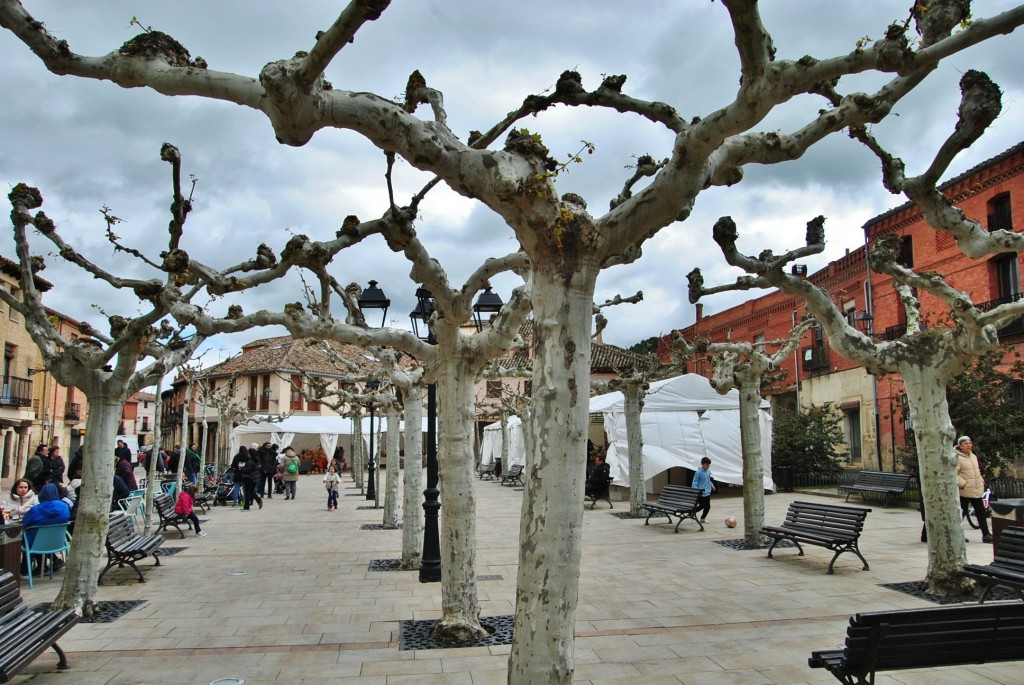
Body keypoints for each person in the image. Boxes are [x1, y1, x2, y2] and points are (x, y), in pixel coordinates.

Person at [21, 483, 71, 574]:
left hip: (35, 543)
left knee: (27, 536)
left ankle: (25, 570)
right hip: (57, 542)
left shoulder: (36, 509)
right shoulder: (65, 507)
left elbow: (24, 523)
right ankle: (42, 567)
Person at [956, 436, 993, 544]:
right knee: (961, 514)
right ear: (960, 446)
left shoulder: (973, 457)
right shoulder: (957, 458)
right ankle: (958, 535)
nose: (969, 445)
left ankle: (986, 535)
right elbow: (953, 474)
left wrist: (981, 481)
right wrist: (963, 484)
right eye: (966, 444)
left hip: (976, 490)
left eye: (970, 443)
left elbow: (977, 472)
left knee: (981, 512)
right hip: (964, 491)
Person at [692, 456, 716, 522]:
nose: (707, 466)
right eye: (706, 465)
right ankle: (692, 512)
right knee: (702, 505)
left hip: (707, 492)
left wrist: (712, 485)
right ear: (702, 464)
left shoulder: (708, 471)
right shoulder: (698, 472)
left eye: (708, 465)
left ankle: (703, 518)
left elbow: (708, 480)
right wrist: (696, 490)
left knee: (707, 506)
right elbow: (694, 482)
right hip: (701, 492)